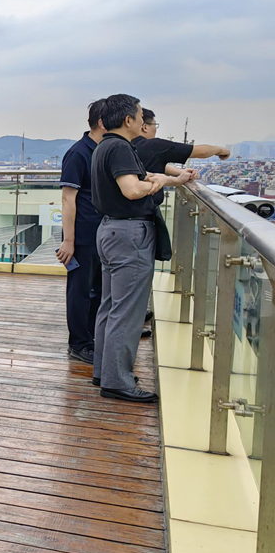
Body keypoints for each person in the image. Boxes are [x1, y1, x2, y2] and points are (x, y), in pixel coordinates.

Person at [90, 94, 190, 402]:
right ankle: (117, 381)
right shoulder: (121, 147)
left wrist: (165, 179)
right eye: (140, 116)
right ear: (129, 120)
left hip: (110, 230)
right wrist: (161, 184)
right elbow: (132, 190)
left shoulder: (104, 146)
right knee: (127, 311)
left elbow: (133, 182)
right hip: (129, 234)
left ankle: (104, 372)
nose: (144, 122)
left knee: (110, 306)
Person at [130, 108, 231, 337]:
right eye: (154, 125)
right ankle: (128, 329)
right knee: (136, 275)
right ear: (144, 125)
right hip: (139, 220)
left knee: (130, 278)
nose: (156, 130)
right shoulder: (152, 145)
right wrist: (222, 150)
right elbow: (199, 150)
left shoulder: (126, 147)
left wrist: (178, 174)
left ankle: (132, 320)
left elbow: (154, 165)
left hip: (123, 221)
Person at [56, 99, 107, 364]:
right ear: (102, 123)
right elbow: (68, 198)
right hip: (83, 235)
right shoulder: (78, 153)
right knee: (80, 291)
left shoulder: (103, 150)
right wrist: (69, 241)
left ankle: (92, 336)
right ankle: (79, 343)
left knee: (97, 290)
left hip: (101, 234)